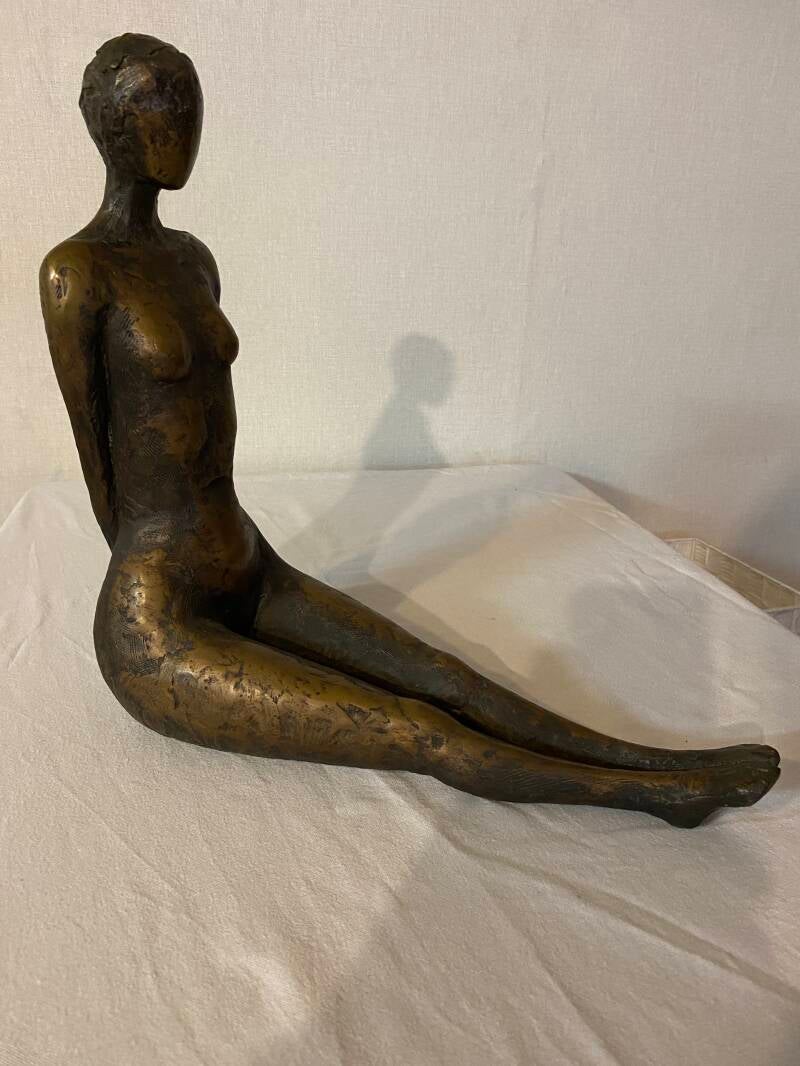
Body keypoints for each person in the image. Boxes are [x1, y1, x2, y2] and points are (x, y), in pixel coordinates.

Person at [40, 34, 779, 827]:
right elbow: (101, 471)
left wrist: (225, 564)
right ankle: (657, 797)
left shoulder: (192, 260)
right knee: (419, 729)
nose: (184, 122)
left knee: (446, 677)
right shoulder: (77, 273)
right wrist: (166, 568)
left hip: (246, 560)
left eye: (190, 102)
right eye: (160, 102)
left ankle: (654, 759)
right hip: (156, 618)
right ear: (112, 123)